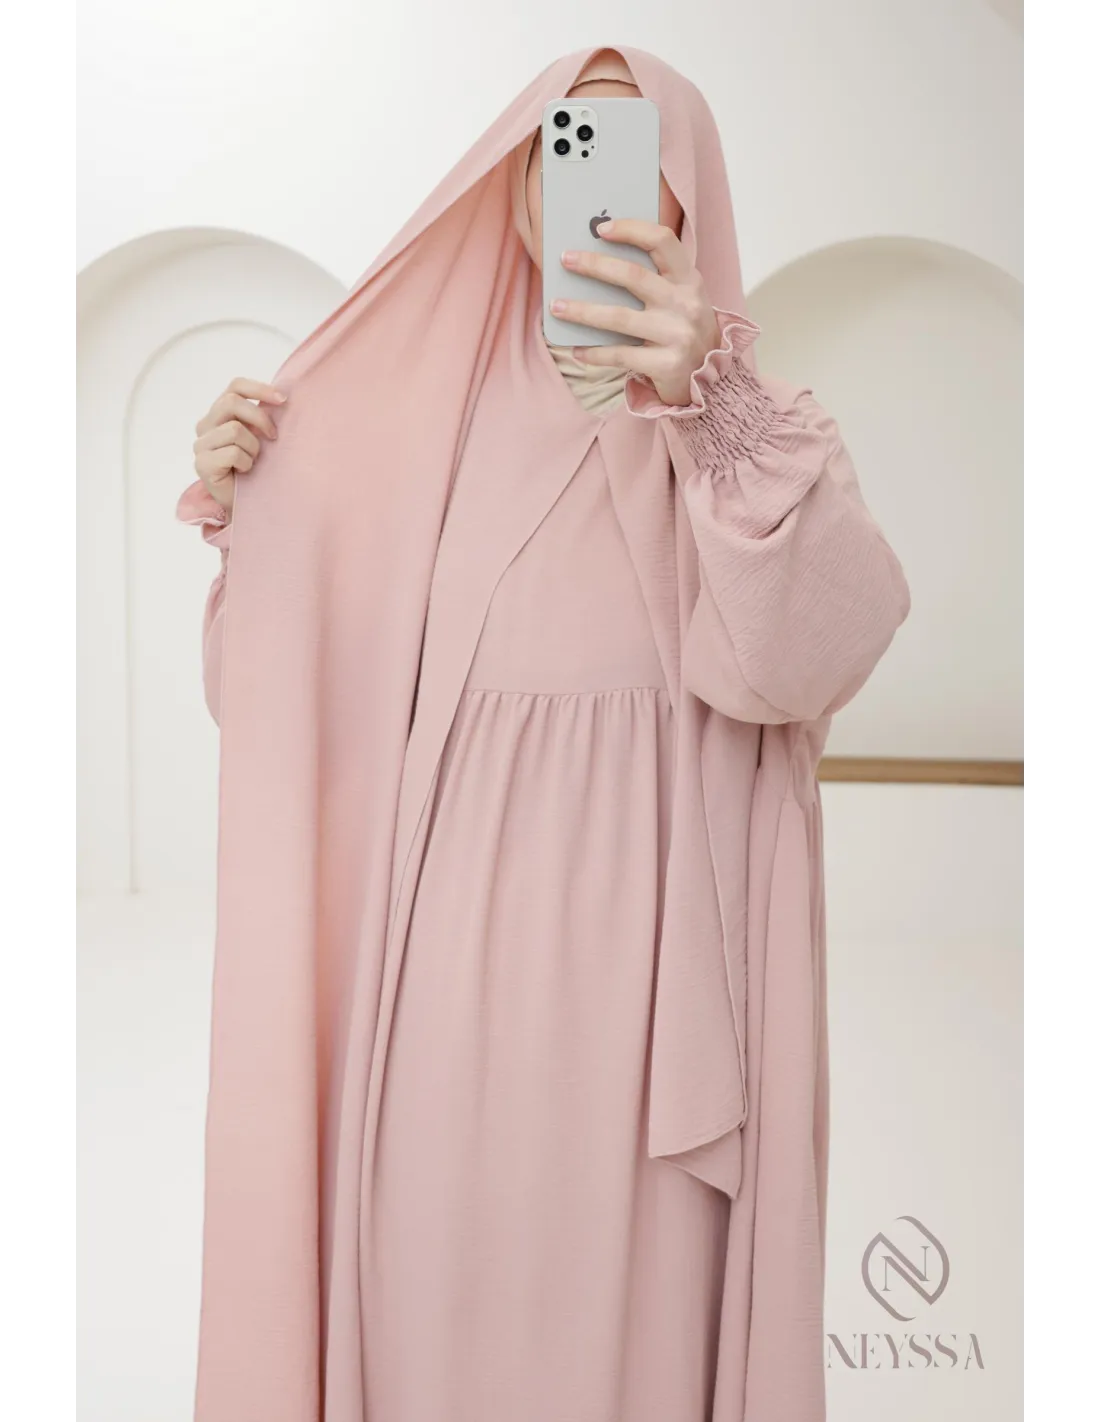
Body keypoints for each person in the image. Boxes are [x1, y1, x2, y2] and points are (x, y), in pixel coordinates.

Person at [177, 45, 910, 1422]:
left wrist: (707, 402)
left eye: (633, 156)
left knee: (629, 1304)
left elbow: (815, 656)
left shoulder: (752, 435)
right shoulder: (405, 433)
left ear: (687, 197)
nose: (591, 186)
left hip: (650, 981)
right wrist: (254, 519)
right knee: (427, 1264)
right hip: (438, 964)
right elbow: (273, 711)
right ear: (511, 192)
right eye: (559, 149)